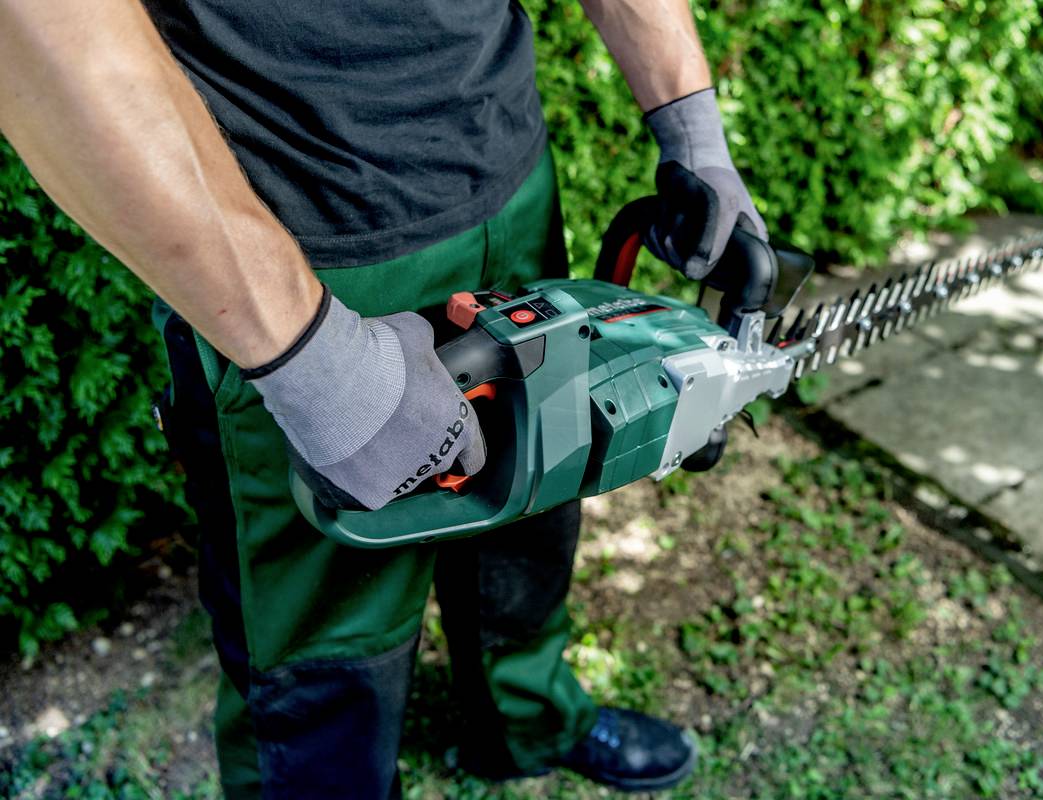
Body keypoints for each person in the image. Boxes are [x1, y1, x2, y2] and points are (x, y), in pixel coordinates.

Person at [0, 0, 767, 796]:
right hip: (294, 253)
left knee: (534, 517)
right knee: (323, 630)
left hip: (506, 175)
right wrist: (308, 360)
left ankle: (530, 718)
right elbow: (48, 32)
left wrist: (693, 135)